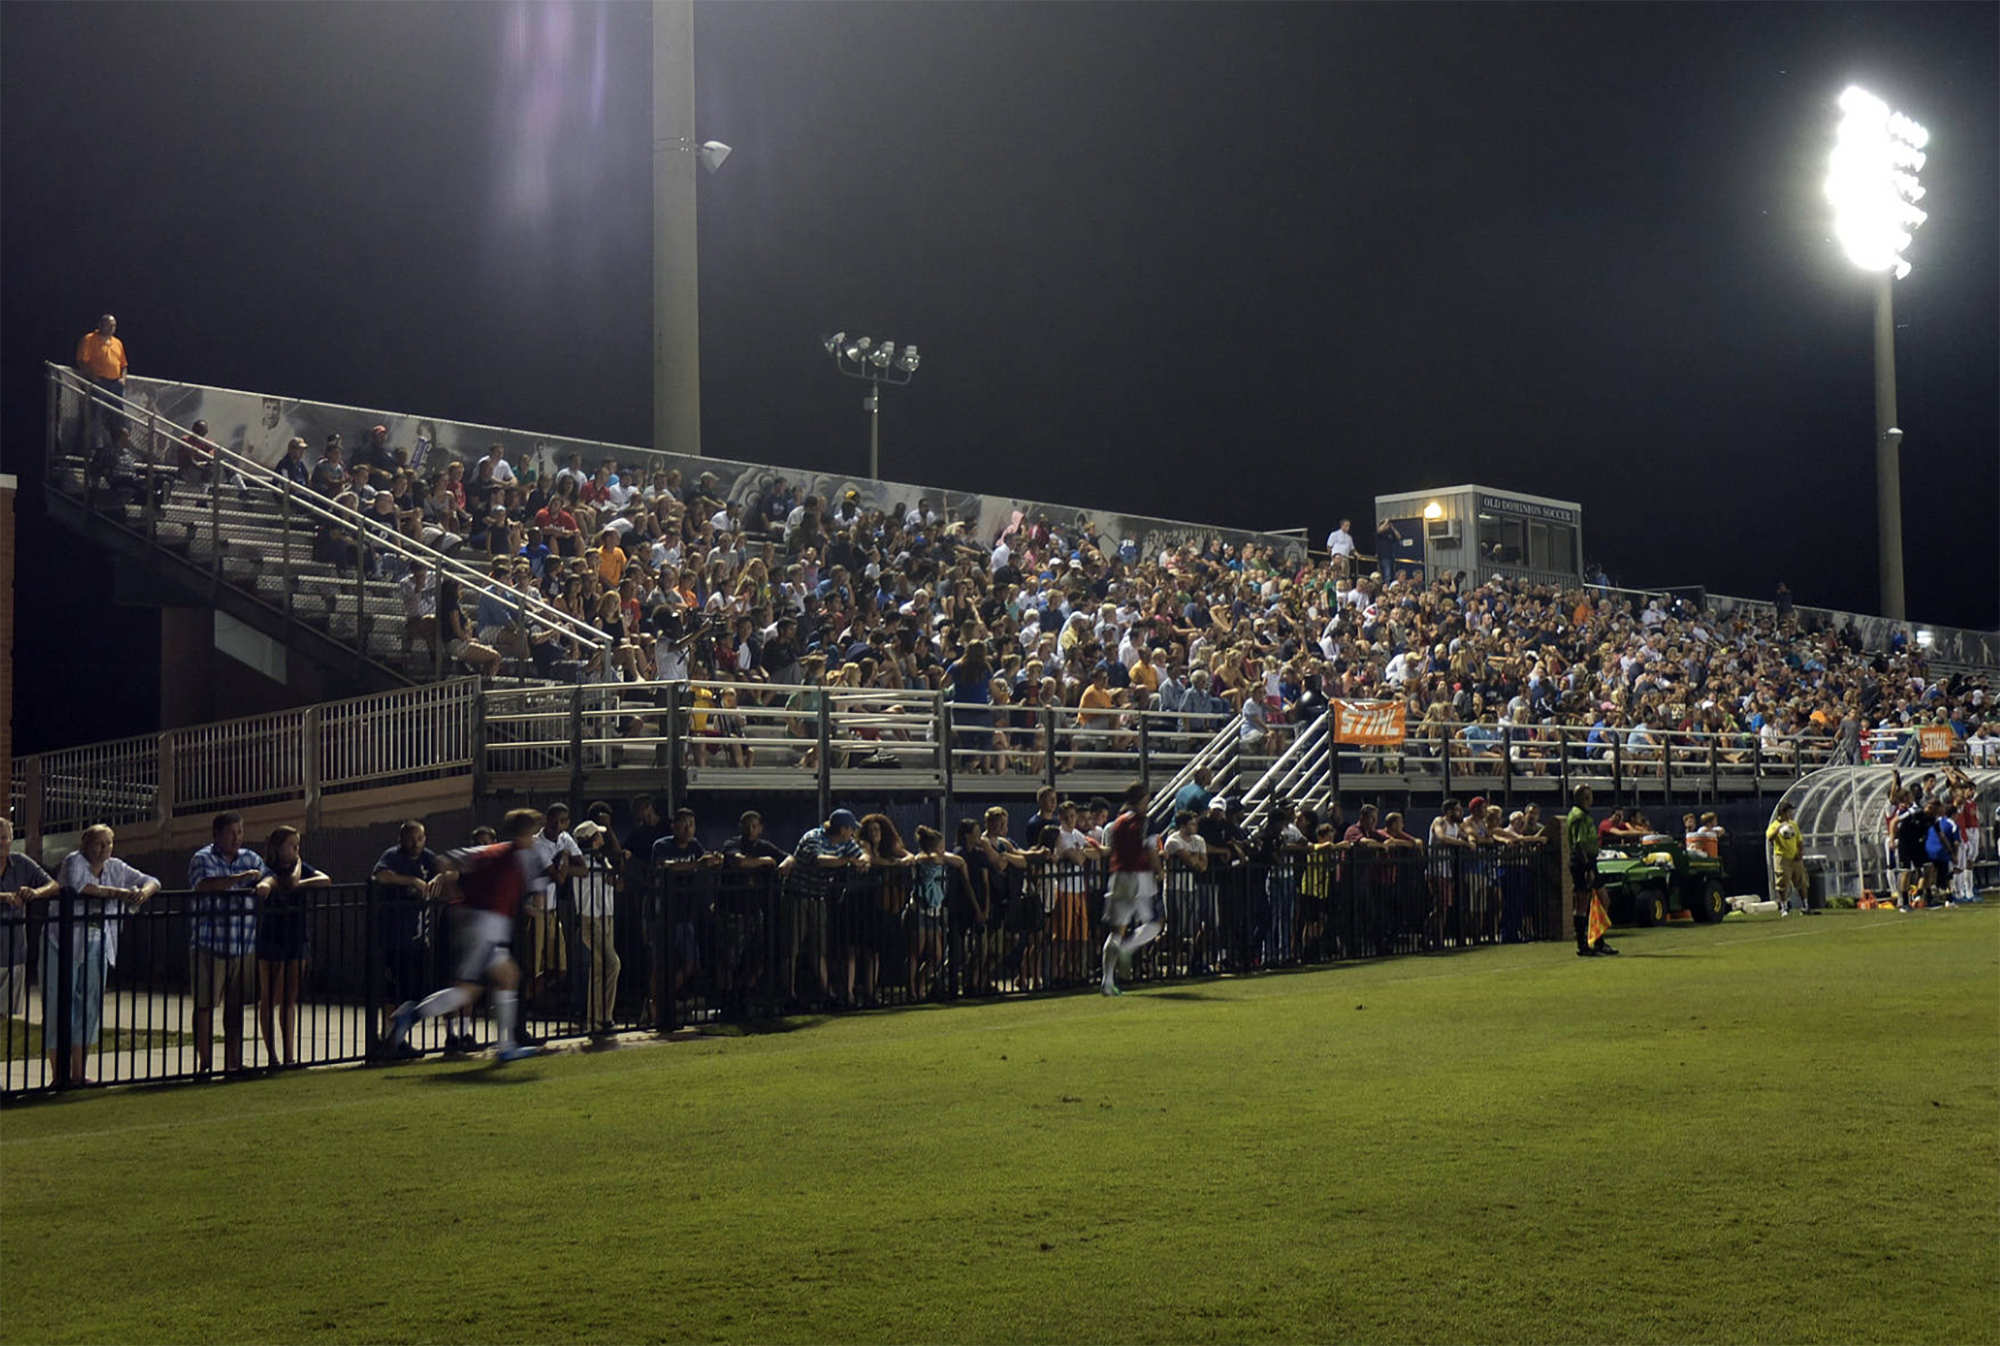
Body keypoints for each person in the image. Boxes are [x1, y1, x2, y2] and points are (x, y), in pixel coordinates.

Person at [386, 808, 545, 1064]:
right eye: (532, 832)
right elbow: (538, 890)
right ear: (524, 833)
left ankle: (506, 1045)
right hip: (487, 927)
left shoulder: (494, 851)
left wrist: (457, 895)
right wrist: (535, 905)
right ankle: (412, 1014)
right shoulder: (520, 855)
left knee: (508, 977)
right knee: (466, 991)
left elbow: (446, 860)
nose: (534, 837)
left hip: (480, 924)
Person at [45, 826, 160, 1085]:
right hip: (62, 942)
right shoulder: (74, 861)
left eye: (108, 843)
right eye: (98, 844)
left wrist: (143, 893)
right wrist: (118, 893)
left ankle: (78, 1071)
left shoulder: (116, 866)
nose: (104, 849)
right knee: (58, 1005)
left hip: (98, 942)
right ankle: (57, 1074)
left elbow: (152, 880)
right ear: (86, 845)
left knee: (89, 1007)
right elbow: (78, 886)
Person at [187, 812, 265, 1075]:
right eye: (231, 832)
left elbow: (268, 876)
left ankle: (234, 1062)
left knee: (236, 1007)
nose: (237, 837)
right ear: (216, 834)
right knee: (205, 1005)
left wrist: (265, 883)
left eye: (240, 832)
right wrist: (239, 879)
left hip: (243, 944)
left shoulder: (251, 857)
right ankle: (205, 1063)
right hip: (210, 943)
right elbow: (204, 885)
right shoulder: (203, 858)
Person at [253, 825, 330, 1068]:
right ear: (277, 848)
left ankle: (289, 1055)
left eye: (298, 846)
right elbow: (272, 881)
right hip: (272, 937)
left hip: (297, 936)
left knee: (289, 997)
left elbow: (325, 880)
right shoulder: (271, 868)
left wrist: (299, 878)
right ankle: (273, 1055)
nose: (296, 850)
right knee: (269, 996)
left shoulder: (300, 867)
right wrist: (294, 873)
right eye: (292, 846)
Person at [784, 809, 868, 1013]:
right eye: (851, 829)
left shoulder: (846, 842)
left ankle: (825, 992)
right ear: (843, 829)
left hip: (818, 898)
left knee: (819, 949)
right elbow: (820, 860)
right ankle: (789, 994)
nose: (853, 834)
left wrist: (863, 861)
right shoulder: (813, 837)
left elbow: (862, 854)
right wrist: (848, 861)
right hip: (798, 896)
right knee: (791, 949)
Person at [371, 821, 444, 1055]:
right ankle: (391, 1040)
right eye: (411, 839)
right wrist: (412, 881)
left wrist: (439, 878)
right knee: (395, 993)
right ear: (400, 839)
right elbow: (380, 876)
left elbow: (448, 868)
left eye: (420, 839)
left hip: (419, 937)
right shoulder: (393, 855)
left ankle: (396, 1039)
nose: (416, 844)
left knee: (417, 994)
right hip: (395, 937)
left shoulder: (428, 858)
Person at [1100, 782, 1165, 995]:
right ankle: (1128, 949)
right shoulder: (1146, 822)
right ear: (1143, 798)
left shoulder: (1116, 823)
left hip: (1118, 877)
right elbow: (1150, 849)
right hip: (1140, 877)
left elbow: (1112, 850)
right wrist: (1159, 871)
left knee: (1116, 931)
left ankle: (1107, 982)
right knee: (1156, 922)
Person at [568, 820, 623, 1037]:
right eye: (598, 836)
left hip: (605, 915)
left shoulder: (600, 860)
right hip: (591, 918)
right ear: (592, 839)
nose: (602, 838)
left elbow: (616, 883)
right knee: (612, 964)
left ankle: (598, 1018)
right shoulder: (584, 862)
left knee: (600, 968)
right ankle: (604, 1017)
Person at [0, 819, 57, 1020]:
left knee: (4, 1016)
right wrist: (4, 896)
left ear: (11, 839)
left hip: (13, 952)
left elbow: (53, 885)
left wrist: (35, 892)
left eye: (4, 837)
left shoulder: (21, 863)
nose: (1, 843)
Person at [905, 826, 963, 1002]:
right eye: (940, 846)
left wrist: (943, 855)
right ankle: (911, 990)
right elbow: (933, 858)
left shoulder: (938, 859)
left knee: (936, 955)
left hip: (933, 910)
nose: (943, 851)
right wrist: (941, 855)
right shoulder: (922, 859)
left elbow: (959, 861)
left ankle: (921, 982)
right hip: (919, 909)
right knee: (916, 950)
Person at [1564, 787, 1617, 956]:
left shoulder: (1582, 814)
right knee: (1582, 902)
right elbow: (1579, 844)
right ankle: (1583, 945)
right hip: (1582, 862)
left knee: (1603, 899)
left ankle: (1598, 940)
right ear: (1585, 797)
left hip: (1589, 861)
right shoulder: (1579, 816)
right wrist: (1587, 868)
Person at [76, 313, 128, 443]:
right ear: (100, 325)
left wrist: (123, 379)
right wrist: (93, 378)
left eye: (114, 325)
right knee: (95, 415)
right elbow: (82, 361)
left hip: (116, 384)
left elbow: (124, 365)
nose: (112, 328)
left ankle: (117, 446)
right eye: (109, 324)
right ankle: (92, 446)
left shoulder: (117, 343)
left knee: (117, 415)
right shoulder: (89, 339)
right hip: (100, 382)